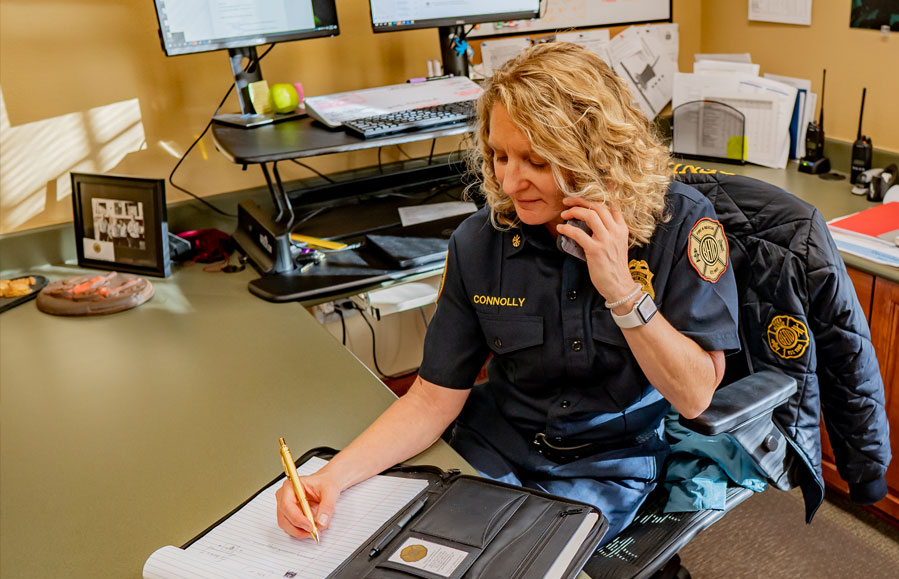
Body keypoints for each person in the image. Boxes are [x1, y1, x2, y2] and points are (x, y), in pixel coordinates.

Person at [276, 42, 739, 544]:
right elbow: (432, 398)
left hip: (607, 465)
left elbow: (694, 396)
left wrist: (622, 291)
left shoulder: (678, 223)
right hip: (492, 443)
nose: (510, 181)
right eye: (499, 155)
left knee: (516, 568)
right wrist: (332, 477)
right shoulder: (480, 241)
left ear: (596, 155)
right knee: (411, 548)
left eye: (536, 161)